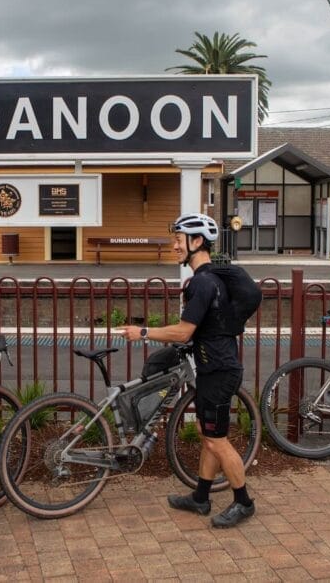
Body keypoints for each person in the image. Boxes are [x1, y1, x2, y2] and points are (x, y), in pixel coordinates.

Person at [118, 212, 255, 528]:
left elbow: (183, 332)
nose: (174, 246)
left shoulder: (203, 283)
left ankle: (244, 502)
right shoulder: (211, 280)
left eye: (179, 240)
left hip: (219, 372)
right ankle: (201, 497)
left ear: (196, 242)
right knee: (210, 437)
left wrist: (141, 332)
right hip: (214, 368)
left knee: (218, 440)